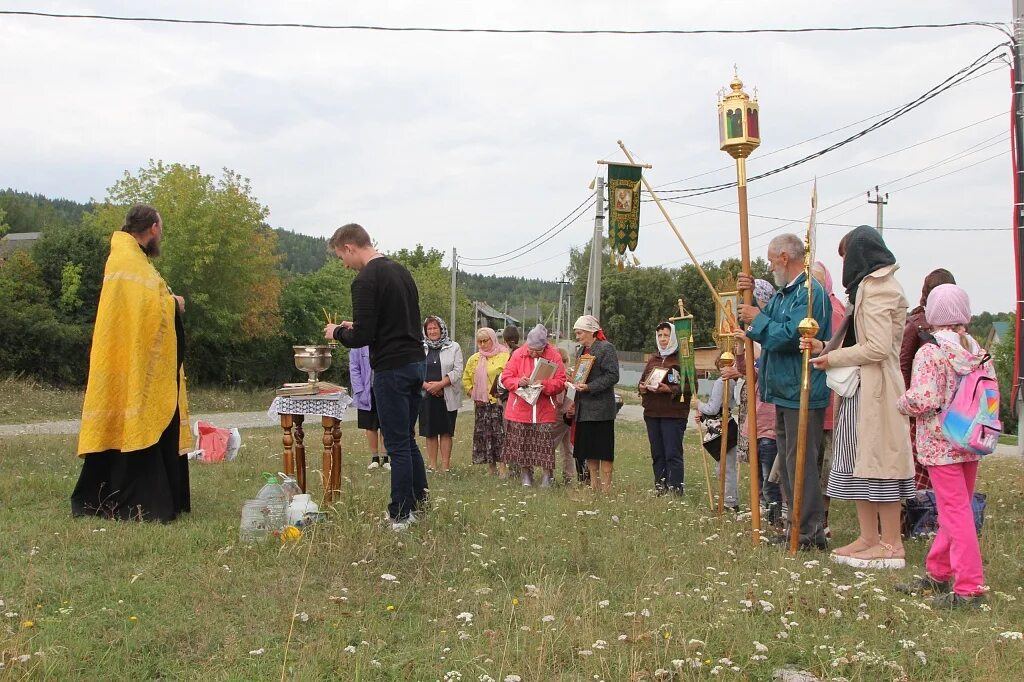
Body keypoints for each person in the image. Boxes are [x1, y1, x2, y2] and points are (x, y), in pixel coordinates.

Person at [71, 204, 192, 522]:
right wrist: (173, 303)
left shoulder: (132, 259)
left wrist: (165, 301)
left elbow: (143, 305)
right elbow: (150, 308)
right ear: (153, 228)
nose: (160, 235)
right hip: (131, 361)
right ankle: (140, 502)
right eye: (161, 229)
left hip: (129, 357)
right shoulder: (126, 258)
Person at [804, 225, 914, 568]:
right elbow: (854, 340)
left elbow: (879, 348)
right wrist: (825, 348)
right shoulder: (865, 289)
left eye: (846, 258)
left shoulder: (881, 289)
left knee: (880, 463)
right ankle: (869, 537)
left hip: (878, 389)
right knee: (857, 463)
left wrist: (832, 359)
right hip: (860, 389)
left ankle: (891, 543)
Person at [324, 223, 426, 531]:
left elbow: (362, 337)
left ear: (349, 247)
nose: (344, 264)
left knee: (395, 444)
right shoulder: (400, 271)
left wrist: (338, 332)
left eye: (342, 257)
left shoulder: (365, 280)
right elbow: (390, 320)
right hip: (414, 363)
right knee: (407, 438)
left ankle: (400, 514)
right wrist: (354, 325)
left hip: (391, 368)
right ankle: (419, 503)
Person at [896, 284, 990, 608]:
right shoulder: (975, 350)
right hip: (971, 440)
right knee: (957, 509)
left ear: (933, 315)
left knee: (955, 513)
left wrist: (902, 402)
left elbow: (926, 397)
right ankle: (938, 572)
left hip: (940, 445)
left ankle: (969, 587)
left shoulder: (931, 351)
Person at [737, 233, 832, 550]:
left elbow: (790, 335)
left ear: (784, 258)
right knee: (789, 466)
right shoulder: (784, 294)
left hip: (802, 390)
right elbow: (767, 325)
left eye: (770, 259)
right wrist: (749, 297)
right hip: (783, 390)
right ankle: (796, 526)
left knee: (800, 463)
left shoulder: (809, 294)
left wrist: (759, 320)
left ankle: (809, 531)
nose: (769, 264)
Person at [727, 279, 781, 525]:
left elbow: (765, 364)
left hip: (770, 418)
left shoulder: (771, 334)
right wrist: (740, 346)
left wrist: (750, 342)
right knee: (758, 473)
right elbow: (745, 370)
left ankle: (774, 515)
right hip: (756, 418)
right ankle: (761, 511)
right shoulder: (753, 336)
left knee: (771, 476)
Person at [900, 268, 957, 493]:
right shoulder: (916, 323)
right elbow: (903, 363)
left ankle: (934, 510)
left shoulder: (958, 327)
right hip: (922, 403)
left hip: (949, 404)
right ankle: (921, 514)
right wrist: (907, 402)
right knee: (921, 462)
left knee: (946, 460)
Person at [499, 324, 567, 487]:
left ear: (544, 346)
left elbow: (561, 381)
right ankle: (526, 475)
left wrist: (544, 384)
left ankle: (547, 476)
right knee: (523, 444)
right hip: (520, 409)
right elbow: (505, 377)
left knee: (544, 444)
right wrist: (518, 382)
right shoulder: (517, 354)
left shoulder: (554, 356)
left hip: (544, 410)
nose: (533, 353)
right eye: (531, 349)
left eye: (537, 350)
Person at [811, 261, 846, 537]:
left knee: (824, 464)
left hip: (829, 398)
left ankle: (821, 521)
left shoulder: (833, 310)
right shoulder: (810, 307)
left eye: (818, 280)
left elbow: (836, 349)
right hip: (812, 396)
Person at [640, 322, 692, 495]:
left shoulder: (683, 359)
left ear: (674, 337)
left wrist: (670, 389)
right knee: (657, 453)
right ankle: (660, 488)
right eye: (660, 335)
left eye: (666, 335)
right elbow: (643, 381)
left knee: (672, 453)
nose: (663, 339)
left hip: (673, 413)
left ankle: (676, 490)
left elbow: (691, 386)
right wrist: (641, 388)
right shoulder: (653, 359)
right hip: (653, 412)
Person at [569, 315, 620, 492]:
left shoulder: (606, 348)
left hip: (601, 409)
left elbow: (613, 375)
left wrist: (590, 387)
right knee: (589, 449)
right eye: (576, 333)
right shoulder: (580, 351)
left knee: (603, 449)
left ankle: (606, 488)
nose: (578, 336)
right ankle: (593, 484)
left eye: (580, 332)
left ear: (591, 331)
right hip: (584, 408)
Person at [461, 327, 510, 475]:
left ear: (493, 339)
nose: (482, 344)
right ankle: (491, 466)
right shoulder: (474, 358)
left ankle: (503, 466)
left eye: (485, 341)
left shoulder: (504, 355)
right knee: (486, 435)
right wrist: (472, 393)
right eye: (479, 342)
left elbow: (508, 375)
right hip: (481, 404)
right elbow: (466, 378)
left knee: (500, 434)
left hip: (498, 402)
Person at [419, 316, 464, 473]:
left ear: (442, 329)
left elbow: (458, 371)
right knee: (429, 432)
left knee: (446, 431)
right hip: (425, 395)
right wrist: (426, 386)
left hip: (447, 395)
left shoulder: (454, 347)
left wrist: (440, 385)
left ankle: (445, 466)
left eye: (435, 328)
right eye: (429, 329)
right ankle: (432, 465)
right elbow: (414, 370)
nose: (432, 331)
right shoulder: (419, 347)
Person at [697, 353, 739, 510]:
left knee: (725, 468)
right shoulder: (733, 381)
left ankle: (730, 502)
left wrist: (699, 405)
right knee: (725, 468)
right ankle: (729, 500)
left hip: (723, 428)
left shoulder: (723, 382)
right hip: (726, 425)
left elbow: (713, 408)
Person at [350, 345, 388, 470]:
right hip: (366, 390)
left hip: (385, 388)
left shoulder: (385, 339)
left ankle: (386, 458)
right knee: (369, 425)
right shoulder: (358, 345)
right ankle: (375, 458)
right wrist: (359, 390)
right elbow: (354, 368)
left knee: (385, 424)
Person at [551, 347, 576, 485]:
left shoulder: (562, 375)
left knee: (550, 444)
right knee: (567, 447)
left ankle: (548, 474)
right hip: (570, 414)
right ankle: (569, 476)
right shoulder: (572, 373)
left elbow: (559, 399)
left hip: (560, 413)